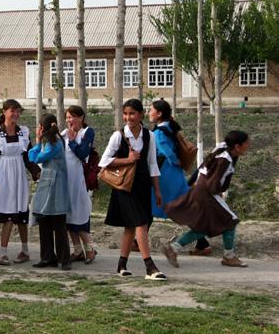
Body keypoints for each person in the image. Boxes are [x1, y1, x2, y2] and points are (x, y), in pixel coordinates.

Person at [161, 131, 251, 268]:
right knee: (231, 221)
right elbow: (213, 182)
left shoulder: (223, 149)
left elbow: (205, 170)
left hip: (202, 190)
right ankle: (229, 257)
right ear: (237, 146)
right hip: (207, 193)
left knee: (204, 226)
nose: (248, 145)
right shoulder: (225, 159)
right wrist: (217, 192)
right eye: (246, 143)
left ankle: (174, 248)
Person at [100, 99, 167, 280]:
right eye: (125, 114)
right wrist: (127, 160)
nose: (128, 117)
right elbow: (104, 161)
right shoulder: (118, 136)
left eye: (132, 114)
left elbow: (152, 164)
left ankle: (122, 265)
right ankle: (150, 267)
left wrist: (157, 190)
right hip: (124, 187)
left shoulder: (149, 136)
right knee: (141, 223)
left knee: (131, 227)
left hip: (143, 185)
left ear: (141, 114)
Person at [0, 99, 41, 266]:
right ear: (4, 112)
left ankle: (25, 251)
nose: (15, 114)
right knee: (8, 212)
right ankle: (2, 253)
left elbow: (27, 156)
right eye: (12, 111)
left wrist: (35, 171)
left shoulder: (23, 132)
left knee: (21, 212)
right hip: (3, 174)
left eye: (18, 111)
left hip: (18, 174)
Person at [29, 113, 71, 270]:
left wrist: (37, 141)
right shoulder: (55, 141)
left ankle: (63, 259)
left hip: (55, 187)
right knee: (46, 222)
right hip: (49, 186)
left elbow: (35, 158)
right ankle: (49, 257)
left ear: (41, 128)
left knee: (58, 223)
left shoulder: (54, 144)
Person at [61, 105, 97, 264]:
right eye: (68, 117)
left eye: (73, 117)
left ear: (81, 117)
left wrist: (71, 141)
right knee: (68, 217)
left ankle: (90, 249)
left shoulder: (87, 132)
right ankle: (77, 250)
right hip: (65, 181)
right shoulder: (63, 134)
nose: (70, 120)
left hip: (78, 180)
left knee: (79, 216)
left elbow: (83, 153)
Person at [148, 99, 189, 219]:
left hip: (165, 169)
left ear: (159, 114)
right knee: (182, 197)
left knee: (158, 197)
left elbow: (165, 150)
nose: (148, 113)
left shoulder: (158, 133)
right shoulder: (170, 127)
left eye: (151, 110)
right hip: (174, 169)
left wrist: (176, 160)